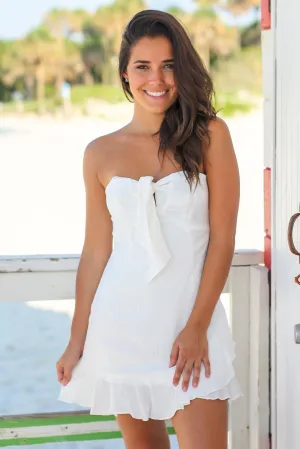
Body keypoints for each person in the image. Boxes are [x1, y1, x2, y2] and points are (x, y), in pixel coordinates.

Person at [56, 9, 241, 449]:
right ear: (125, 74)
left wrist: (197, 327)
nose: (156, 78)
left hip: (191, 330)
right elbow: (98, 252)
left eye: (169, 65)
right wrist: (76, 340)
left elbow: (223, 240)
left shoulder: (210, 136)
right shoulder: (99, 154)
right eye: (143, 66)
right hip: (121, 329)